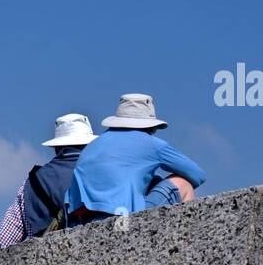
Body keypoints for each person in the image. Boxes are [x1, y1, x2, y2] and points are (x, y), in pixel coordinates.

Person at [65, 93, 206, 226]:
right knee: (183, 183)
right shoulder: (152, 144)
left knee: (152, 180)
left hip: (82, 219)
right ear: (150, 126)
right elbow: (198, 175)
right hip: (123, 218)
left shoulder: (93, 144)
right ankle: (187, 236)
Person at [0, 113, 96, 253]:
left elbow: (2, 240)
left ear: (56, 148)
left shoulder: (31, 184)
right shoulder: (102, 174)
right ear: (91, 143)